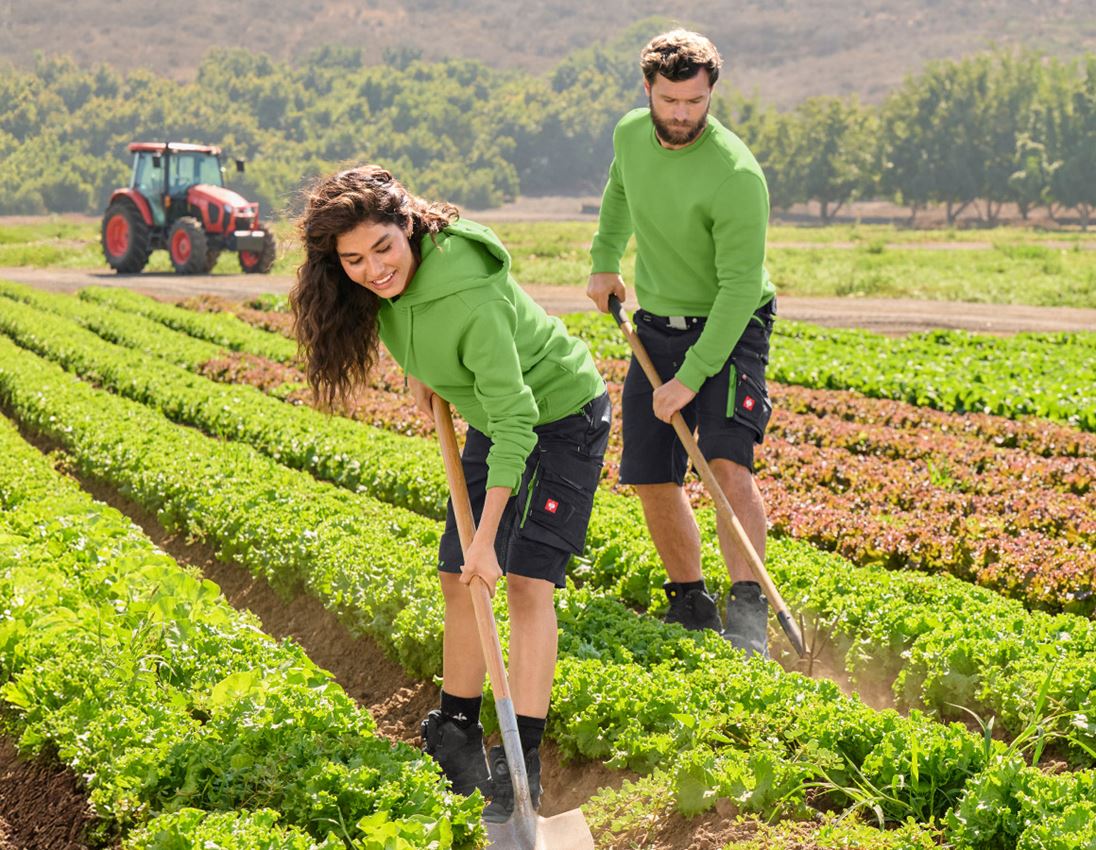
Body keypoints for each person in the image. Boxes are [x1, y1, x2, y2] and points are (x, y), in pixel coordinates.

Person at [291, 166, 609, 819]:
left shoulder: (471, 297)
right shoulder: (391, 277)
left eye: (382, 248)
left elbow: (519, 420)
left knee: (521, 583)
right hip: (496, 416)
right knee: (455, 578)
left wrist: (488, 538)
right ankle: (457, 732)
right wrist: (423, 369)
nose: (373, 269)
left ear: (406, 224)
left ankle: (522, 766)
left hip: (557, 421)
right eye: (352, 259)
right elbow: (413, 318)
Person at [586, 29, 776, 657]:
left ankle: (748, 613)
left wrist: (689, 379)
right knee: (648, 472)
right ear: (648, 89)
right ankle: (690, 602)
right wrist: (604, 259)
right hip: (657, 322)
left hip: (731, 323)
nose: (681, 115)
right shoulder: (629, 136)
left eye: (695, 102)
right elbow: (619, 192)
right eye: (670, 101)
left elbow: (738, 289)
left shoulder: (735, 175)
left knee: (726, 462)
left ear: (711, 94)